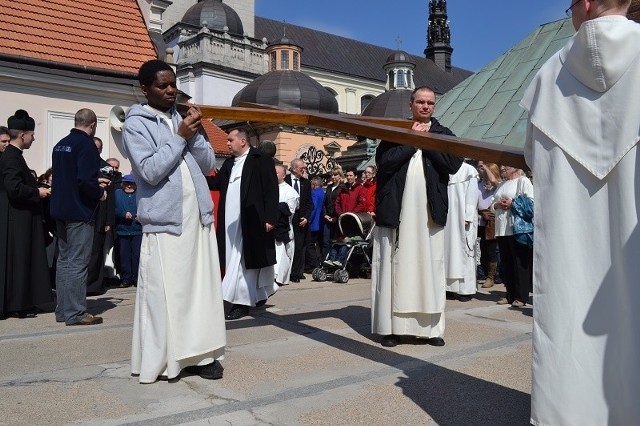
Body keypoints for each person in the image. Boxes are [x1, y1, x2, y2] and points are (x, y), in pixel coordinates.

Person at [520, 1, 640, 424]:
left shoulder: (549, 74)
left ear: (586, 4)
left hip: (572, 231)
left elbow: (533, 156)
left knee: (566, 311)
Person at [121, 59, 225, 383]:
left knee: (199, 290)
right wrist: (179, 137)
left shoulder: (182, 118)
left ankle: (202, 354)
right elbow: (150, 171)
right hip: (166, 220)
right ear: (144, 89)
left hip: (197, 217)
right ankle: (168, 358)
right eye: (162, 85)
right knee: (169, 293)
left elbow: (208, 163)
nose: (170, 90)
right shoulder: (135, 124)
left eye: (173, 84)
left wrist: (193, 132)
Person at [371, 86, 462, 347]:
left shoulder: (443, 134)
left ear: (435, 106)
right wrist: (411, 141)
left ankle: (430, 329)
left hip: (428, 214)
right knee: (393, 267)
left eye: (430, 103)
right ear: (411, 104)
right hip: (397, 211)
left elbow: (453, 165)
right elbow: (385, 163)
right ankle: (392, 329)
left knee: (429, 267)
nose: (425, 106)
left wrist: (428, 140)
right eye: (420, 102)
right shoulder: (394, 133)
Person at [207, 128, 279, 320]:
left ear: (243, 141)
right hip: (229, 224)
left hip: (251, 221)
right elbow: (216, 184)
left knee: (244, 262)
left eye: (230, 140)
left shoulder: (260, 159)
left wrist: (270, 218)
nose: (227, 144)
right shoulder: (230, 163)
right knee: (233, 260)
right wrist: (195, 177)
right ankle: (255, 295)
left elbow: (271, 190)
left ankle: (242, 303)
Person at [50, 108, 106, 325]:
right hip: (79, 211)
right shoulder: (86, 145)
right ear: (92, 125)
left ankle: (63, 310)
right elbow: (85, 179)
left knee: (64, 261)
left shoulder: (60, 144)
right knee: (78, 263)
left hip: (60, 208)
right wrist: (100, 192)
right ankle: (76, 312)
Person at [0, 110, 53, 319]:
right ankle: (18, 304)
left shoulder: (13, 155)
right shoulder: (12, 157)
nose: (34, 138)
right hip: (17, 219)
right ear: (22, 135)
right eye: (32, 134)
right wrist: (37, 192)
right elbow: (13, 188)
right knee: (19, 262)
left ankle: (20, 302)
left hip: (18, 217)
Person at [490, 166, 533, 308]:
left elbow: (531, 204)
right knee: (506, 263)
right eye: (501, 166)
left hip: (517, 229)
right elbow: (491, 205)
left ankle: (521, 296)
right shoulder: (502, 184)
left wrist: (512, 203)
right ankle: (510, 294)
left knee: (520, 263)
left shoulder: (523, 181)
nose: (502, 168)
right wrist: (497, 205)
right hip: (502, 229)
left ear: (515, 168)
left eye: (505, 166)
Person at [86, 137, 117, 295]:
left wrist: (108, 220)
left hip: (100, 216)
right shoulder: (83, 163)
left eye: (97, 148)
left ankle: (93, 285)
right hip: (84, 215)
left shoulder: (106, 168)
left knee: (96, 252)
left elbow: (109, 198)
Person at [444, 161, 479, 302]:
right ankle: (450, 288)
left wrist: (468, 216)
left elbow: (472, 195)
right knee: (448, 253)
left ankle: (466, 290)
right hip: (447, 219)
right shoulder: (445, 168)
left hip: (462, 217)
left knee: (464, 252)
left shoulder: (469, 170)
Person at [324, 168, 366, 267]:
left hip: (352, 220)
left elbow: (361, 204)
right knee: (338, 241)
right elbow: (337, 203)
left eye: (351, 175)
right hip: (342, 219)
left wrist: (351, 214)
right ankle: (331, 259)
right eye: (347, 175)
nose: (349, 177)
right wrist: (340, 213)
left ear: (355, 177)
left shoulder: (360, 189)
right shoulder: (343, 189)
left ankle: (340, 259)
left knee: (347, 241)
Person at [285, 158, 312, 282]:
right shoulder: (285, 181)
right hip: (286, 218)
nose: (304, 170)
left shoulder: (306, 183)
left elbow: (309, 203)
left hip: (301, 219)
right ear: (294, 168)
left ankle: (295, 273)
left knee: (299, 246)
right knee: (286, 246)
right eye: (302, 168)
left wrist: (306, 217)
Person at [475, 162, 501, 288]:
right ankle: (484, 273)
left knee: (491, 249)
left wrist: (485, 166)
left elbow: (494, 180)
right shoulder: (479, 183)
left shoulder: (498, 185)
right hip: (479, 218)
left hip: (491, 219)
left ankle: (491, 276)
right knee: (482, 248)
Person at [273, 164, 299, 286]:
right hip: (270, 227)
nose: (274, 175)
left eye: (277, 173)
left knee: (283, 252)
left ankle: (280, 277)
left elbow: (290, 211)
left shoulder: (290, 191)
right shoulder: (269, 188)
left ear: (283, 175)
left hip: (283, 228)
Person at [114, 174, 141, 288]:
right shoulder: (117, 193)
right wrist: (123, 214)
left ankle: (136, 278)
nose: (129, 186)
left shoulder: (140, 194)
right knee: (124, 256)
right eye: (126, 183)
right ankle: (126, 279)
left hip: (137, 229)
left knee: (137, 255)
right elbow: (113, 208)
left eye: (131, 183)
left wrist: (139, 215)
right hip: (122, 230)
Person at [321, 168, 346, 259]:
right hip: (328, 217)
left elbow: (341, 204)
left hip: (337, 218)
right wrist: (325, 214)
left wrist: (335, 218)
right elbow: (325, 203)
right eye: (331, 175)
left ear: (340, 176)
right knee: (326, 241)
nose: (333, 177)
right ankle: (324, 261)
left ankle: (335, 260)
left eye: (335, 175)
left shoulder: (342, 187)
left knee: (337, 241)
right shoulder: (329, 187)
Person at [304, 176, 325, 272]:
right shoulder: (322, 192)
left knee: (309, 245)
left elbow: (313, 208)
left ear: (314, 184)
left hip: (313, 223)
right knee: (315, 244)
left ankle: (313, 264)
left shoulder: (314, 194)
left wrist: (308, 219)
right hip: (319, 223)